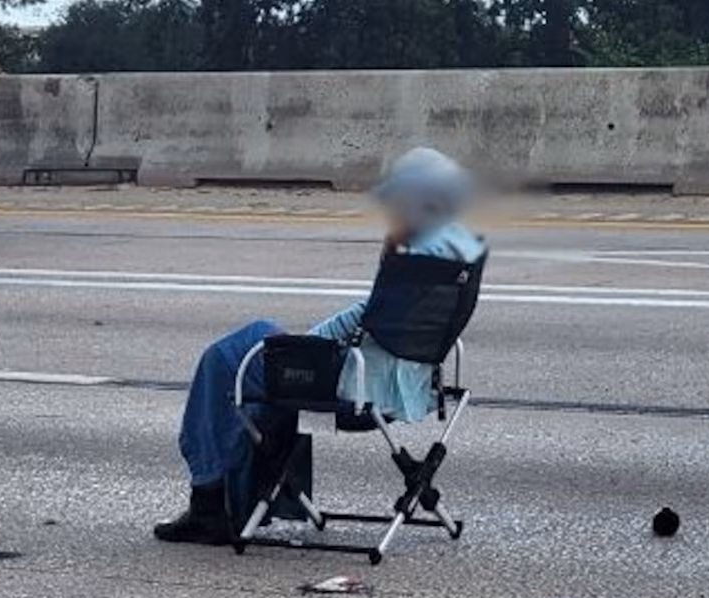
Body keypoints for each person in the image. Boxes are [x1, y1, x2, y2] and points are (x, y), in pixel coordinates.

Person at [155, 147, 487, 545]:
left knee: (228, 358)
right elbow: (386, 322)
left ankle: (210, 502)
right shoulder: (462, 252)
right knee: (264, 352)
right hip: (417, 385)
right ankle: (248, 499)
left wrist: (311, 342)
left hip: (359, 384)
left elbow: (368, 319)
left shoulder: (410, 254)